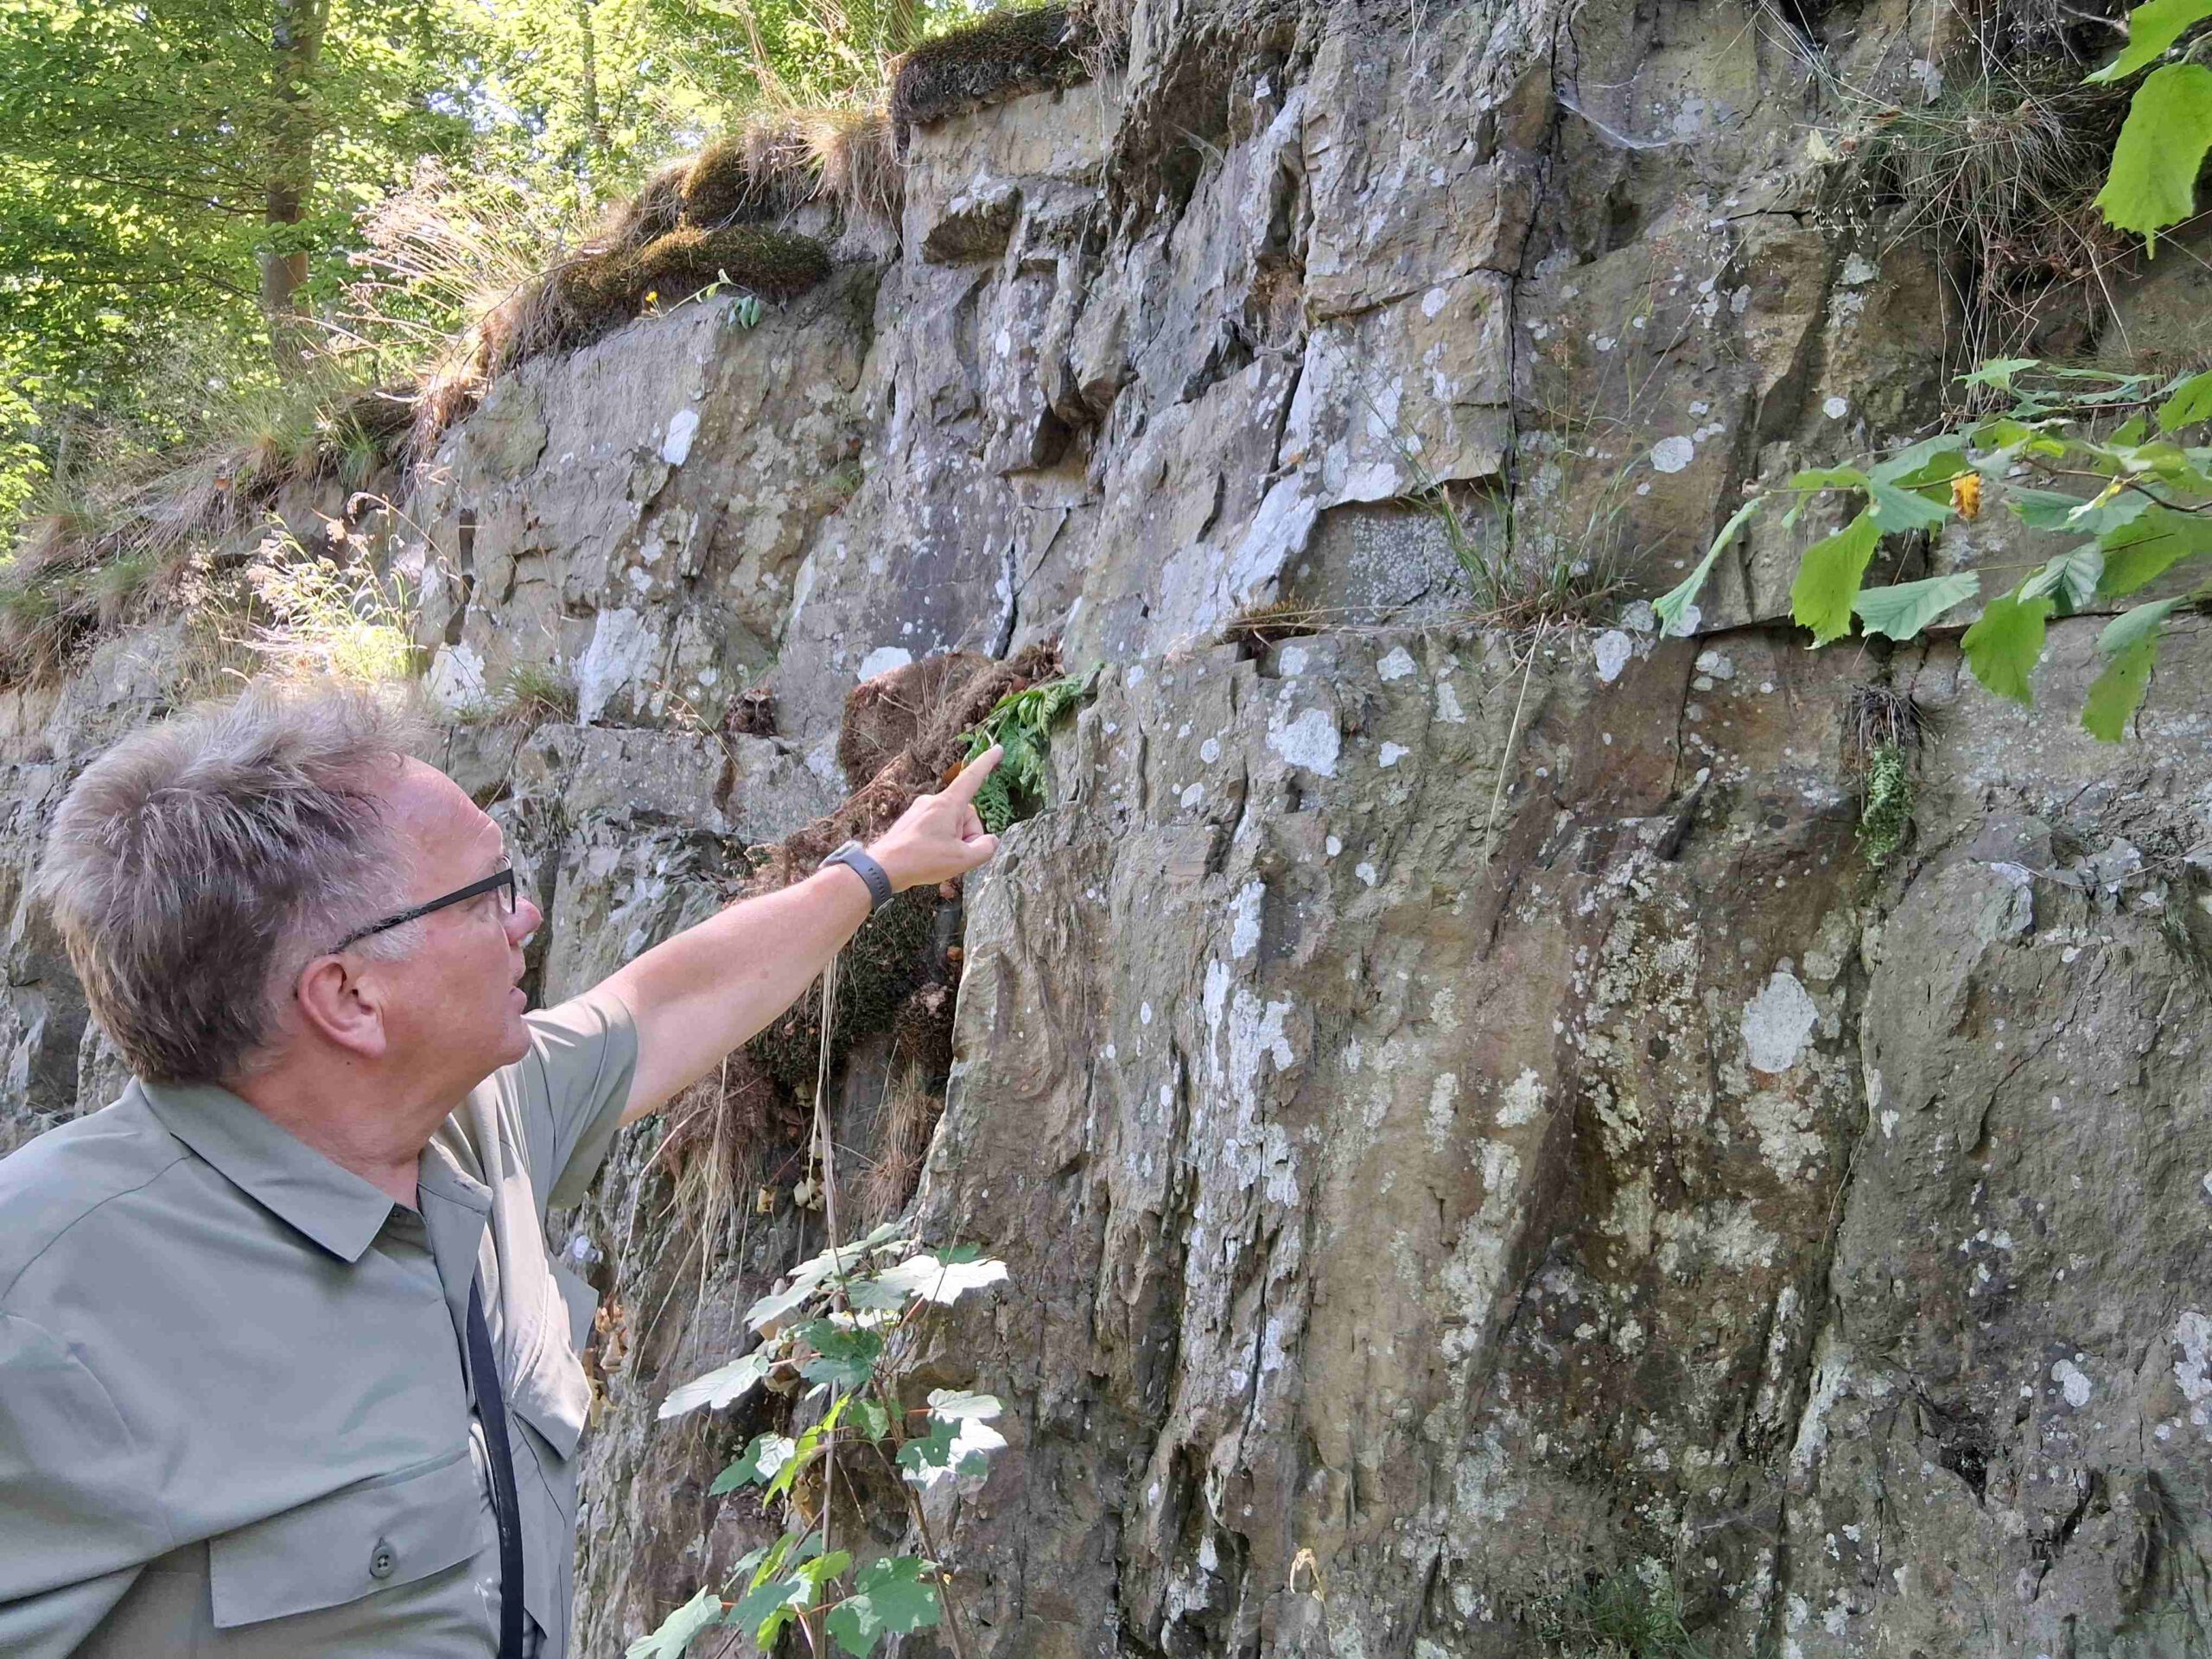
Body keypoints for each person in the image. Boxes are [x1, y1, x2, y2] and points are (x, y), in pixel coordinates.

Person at [0, 683, 1001, 1657]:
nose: (525, 918)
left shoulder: (471, 1121)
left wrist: (873, 869)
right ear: (348, 996)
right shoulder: (43, 1297)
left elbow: (659, 1006)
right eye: (488, 893)